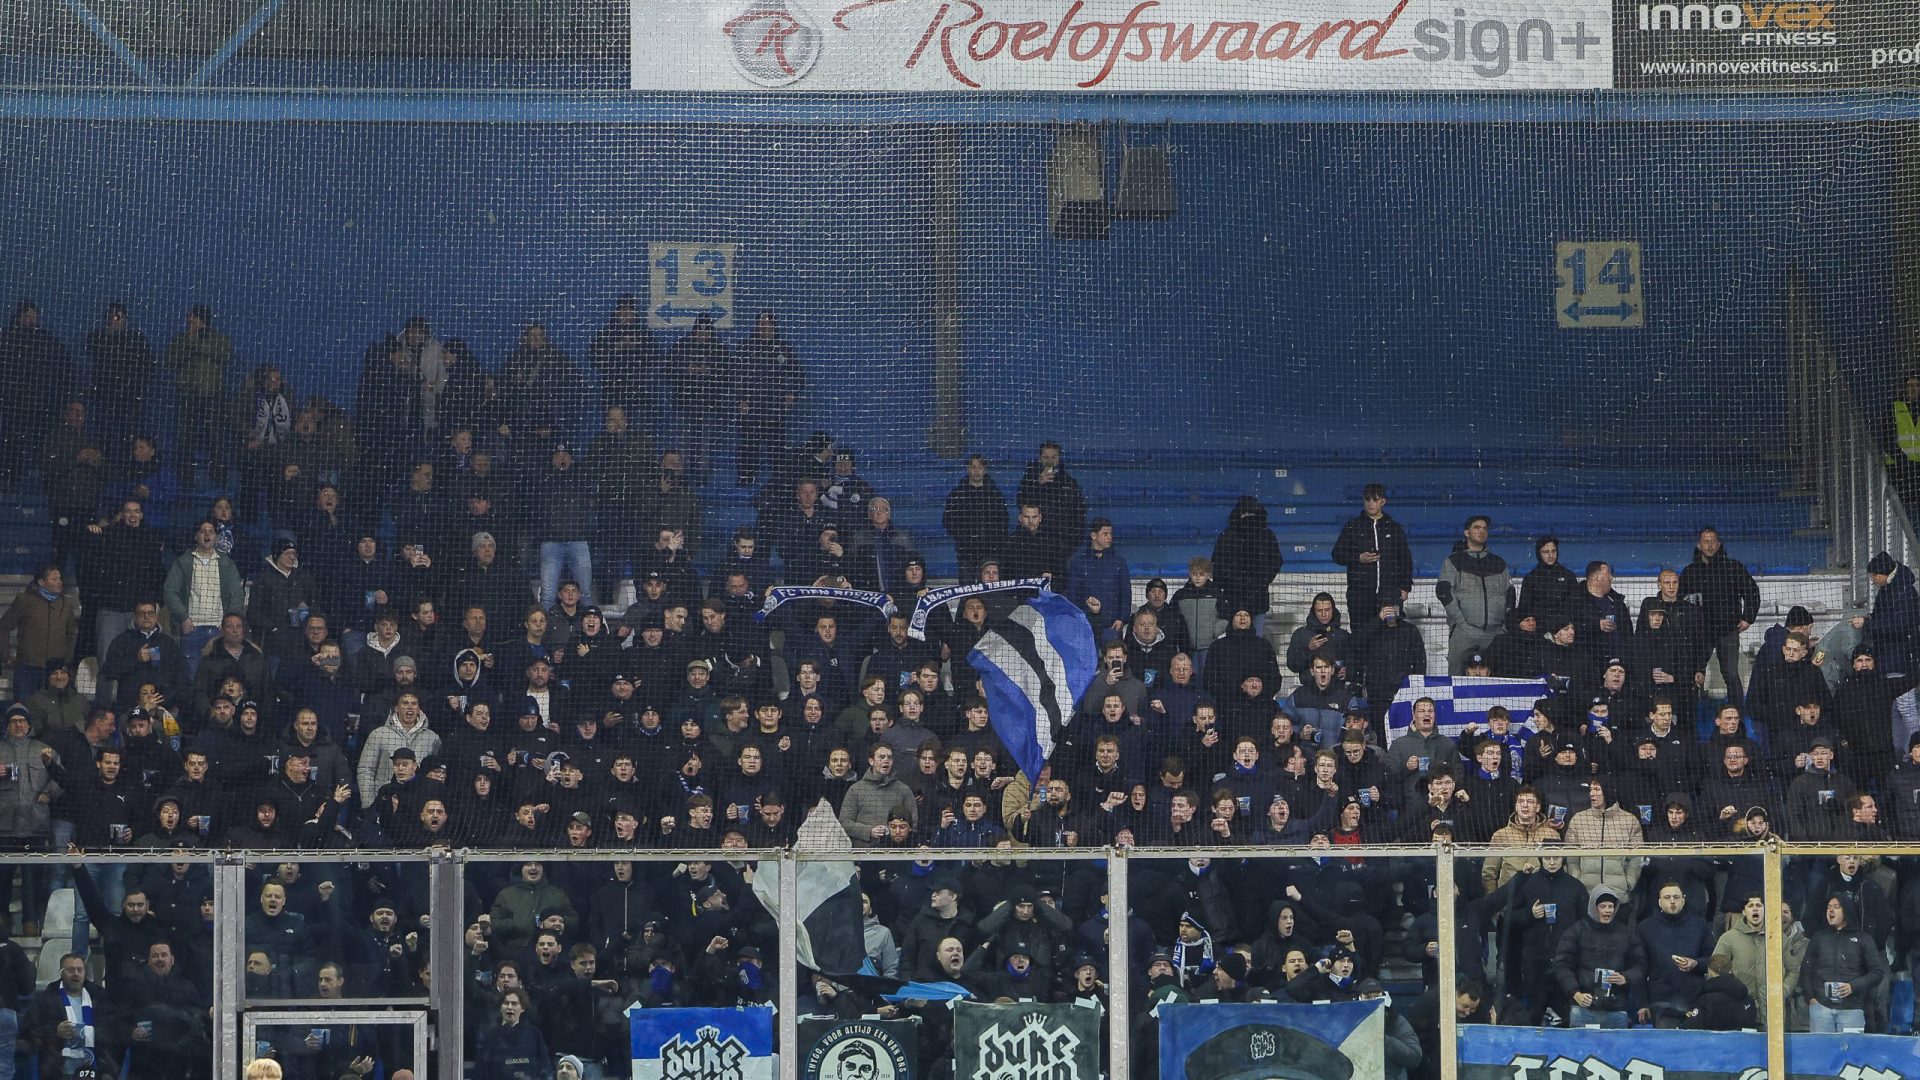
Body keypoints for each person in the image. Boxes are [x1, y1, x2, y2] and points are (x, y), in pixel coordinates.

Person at [1678, 527, 1761, 708]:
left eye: (1713, 540)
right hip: (1699, 633)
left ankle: (1737, 716)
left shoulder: (1733, 568)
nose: (1709, 544)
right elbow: (1679, 600)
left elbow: (1752, 592)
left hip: (1728, 631)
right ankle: (1692, 717)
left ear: (1719, 544)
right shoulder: (1689, 572)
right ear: (1699, 545)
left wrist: (1748, 617)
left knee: (1731, 674)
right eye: (1705, 541)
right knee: (1695, 673)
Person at [1800, 893, 1887, 1033]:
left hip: (1852, 1010)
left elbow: (1877, 972)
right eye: (1828, 907)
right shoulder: (1818, 937)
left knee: (1850, 1054)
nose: (1831, 910)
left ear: (1847, 910)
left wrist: (1853, 986)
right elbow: (1805, 971)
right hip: (1821, 1009)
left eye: (1836, 907)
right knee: (1823, 1053)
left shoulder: (1863, 938)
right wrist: (1810, 998)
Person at [1436, 515, 1512, 674]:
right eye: (1477, 527)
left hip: (1495, 634)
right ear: (1466, 533)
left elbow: (1510, 592)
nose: (1482, 531)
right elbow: (1443, 591)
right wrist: (1460, 622)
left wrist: (1504, 625)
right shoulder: (1453, 560)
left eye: (1484, 528)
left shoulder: (1499, 562)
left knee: (1498, 683)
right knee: (1457, 683)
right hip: (1464, 632)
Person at [1331, 484, 1412, 621]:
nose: (1371, 503)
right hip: (1359, 598)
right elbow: (1337, 554)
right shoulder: (1353, 526)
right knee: (1361, 637)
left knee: (1391, 634)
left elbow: (1405, 559)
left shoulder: (1394, 528)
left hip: (1390, 596)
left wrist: (1405, 587)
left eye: (1375, 499)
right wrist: (1358, 558)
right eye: (1367, 499)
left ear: (1383, 501)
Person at [0, 564, 77, 704]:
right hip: (28, 668)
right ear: (42, 582)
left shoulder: (66, 603)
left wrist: (67, 659)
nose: (59, 582)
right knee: (24, 708)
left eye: (60, 578)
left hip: (55, 669)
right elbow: (4, 626)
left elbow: (71, 633)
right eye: (54, 579)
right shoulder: (25, 601)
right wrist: (4, 655)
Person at [1212, 496, 1282, 634]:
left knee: (1233, 642)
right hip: (1258, 597)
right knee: (1256, 641)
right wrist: (1260, 583)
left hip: (1232, 598)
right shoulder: (1267, 534)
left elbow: (1217, 565)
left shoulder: (1226, 535)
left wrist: (1230, 584)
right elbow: (1276, 562)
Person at [942, 455, 1008, 582]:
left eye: (980, 467)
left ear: (985, 469)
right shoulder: (957, 494)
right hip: (966, 552)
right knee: (967, 588)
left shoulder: (995, 494)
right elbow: (948, 520)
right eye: (973, 467)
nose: (977, 471)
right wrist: (963, 537)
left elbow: (1003, 521)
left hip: (991, 550)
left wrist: (996, 540)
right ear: (967, 469)